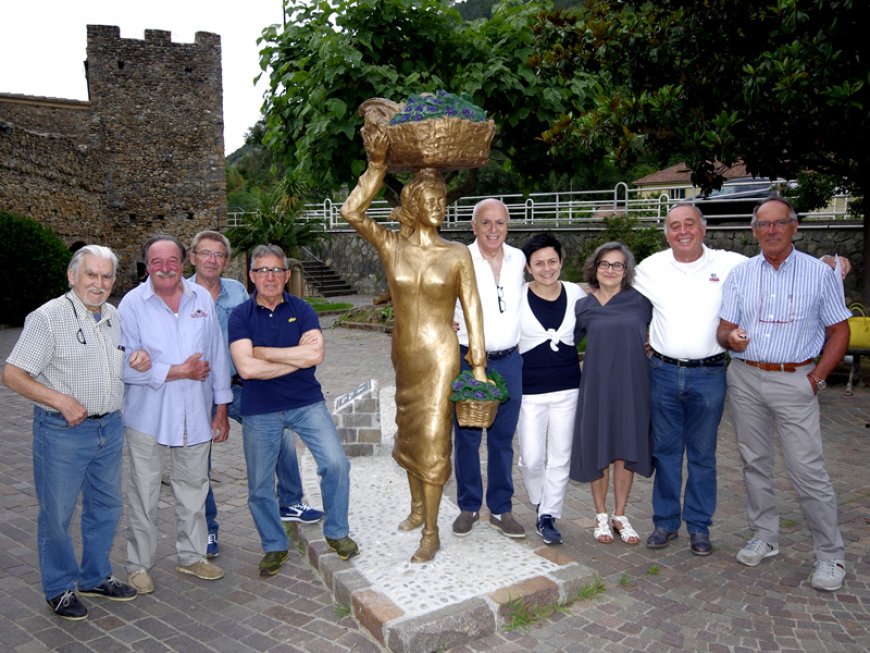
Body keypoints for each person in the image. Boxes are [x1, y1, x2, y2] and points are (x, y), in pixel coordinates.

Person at [634, 202, 851, 556]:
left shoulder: (730, 264)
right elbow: (612, 283)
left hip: (713, 374)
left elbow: (832, 320)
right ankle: (666, 522)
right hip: (667, 372)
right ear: (666, 233)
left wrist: (831, 262)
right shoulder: (651, 267)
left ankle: (701, 527)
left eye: (690, 223)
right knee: (671, 453)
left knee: (707, 455)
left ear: (704, 229)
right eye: (675, 225)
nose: (683, 230)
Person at [340, 118, 488, 562]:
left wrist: (477, 363)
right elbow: (351, 212)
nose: (440, 205)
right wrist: (376, 166)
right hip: (404, 354)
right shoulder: (393, 247)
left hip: (442, 355)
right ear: (412, 203)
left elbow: (473, 308)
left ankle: (432, 530)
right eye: (431, 199)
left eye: (443, 198)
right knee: (408, 432)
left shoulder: (458, 254)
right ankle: (415, 507)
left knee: (433, 435)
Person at [3, 245, 149, 620]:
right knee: (58, 513)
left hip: (109, 427)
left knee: (106, 507)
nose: (99, 284)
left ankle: (95, 576)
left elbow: (118, 366)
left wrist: (138, 360)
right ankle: (59, 587)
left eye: (106, 276)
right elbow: (13, 374)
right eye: (91, 275)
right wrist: (59, 400)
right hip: (62, 432)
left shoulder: (114, 316)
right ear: (73, 276)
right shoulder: (48, 317)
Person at [717, 197, 851, 592]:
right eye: (763, 225)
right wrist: (731, 338)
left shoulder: (819, 273)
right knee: (754, 462)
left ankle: (830, 555)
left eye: (779, 224)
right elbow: (723, 329)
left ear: (794, 227)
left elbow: (839, 330)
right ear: (754, 230)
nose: (771, 231)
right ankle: (765, 535)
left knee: (808, 471)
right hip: (744, 378)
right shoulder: (741, 275)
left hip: (796, 380)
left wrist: (816, 379)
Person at [188, 231, 323, 559]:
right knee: (197, 461)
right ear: (192, 257)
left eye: (219, 255)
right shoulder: (182, 295)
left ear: (227, 261)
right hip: (197, 389)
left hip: (241, 384)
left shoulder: (237, 292)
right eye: (205, 254)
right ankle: (208, 528)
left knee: (280, 436)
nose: (212, 260)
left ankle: (290, 502)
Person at [229, 244, 358, 576]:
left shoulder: (302, 309)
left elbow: (314, 356)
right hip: (260, 409)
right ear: (251, 276)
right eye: (262, 271)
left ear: (286, 275)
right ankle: (274, 545)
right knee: (259, 484)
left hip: (306, 403)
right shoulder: (240, 315)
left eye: (276, 270)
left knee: (336, 463)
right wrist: (292, 357)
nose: (269, 277)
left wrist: (265, 353)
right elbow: (246, 370)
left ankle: (337, 532)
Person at [119, 234, 231, 594]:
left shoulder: (202, 300)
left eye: (171, 260)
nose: (165, 268)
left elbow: (216, 355)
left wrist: (222, 408)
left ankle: (193, 556)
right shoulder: (132, 305)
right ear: (146, 266)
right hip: (147, 418)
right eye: (156, 261)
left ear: (183, 262)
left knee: (194, 490)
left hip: (195, 414)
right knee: (144, 493)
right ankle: (138, 565)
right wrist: (178, 371)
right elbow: (124, 366)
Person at [453, 198, 527, 539]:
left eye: (499, 222)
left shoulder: (518, 259)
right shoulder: (459, 259)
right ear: (474, 227)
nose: (493, 229)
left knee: (502, 440)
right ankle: (468, 506)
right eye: (486, 223)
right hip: (469, 360)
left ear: (507, 226)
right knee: (467, 437)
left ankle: (500, 508)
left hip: (510, 361)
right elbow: (438, 300)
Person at [569, 242, 652, 544]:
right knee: (599, 448)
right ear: (595, 267)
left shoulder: (642, 302)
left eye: (617, 265)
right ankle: (601, 514)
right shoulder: (584, 306)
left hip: (632, 384)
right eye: (605, 264)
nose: (610, 270)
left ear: (626, 271)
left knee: (624, 449)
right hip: (597, 386)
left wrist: (655, 341)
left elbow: (664, 329)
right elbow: (564, 341)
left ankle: (620, 514)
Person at [517, 233, 585, 545]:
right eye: (539, 263)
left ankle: (548, 515)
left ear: (561, 262)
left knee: (560, 456)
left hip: (568, 388)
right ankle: (538, 500)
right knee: (532, 458)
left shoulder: (575, 293)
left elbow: (607, 310)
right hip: (529, 392)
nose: (547, 268)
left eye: (552, 261)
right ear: (529, 268)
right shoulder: (517, 298)